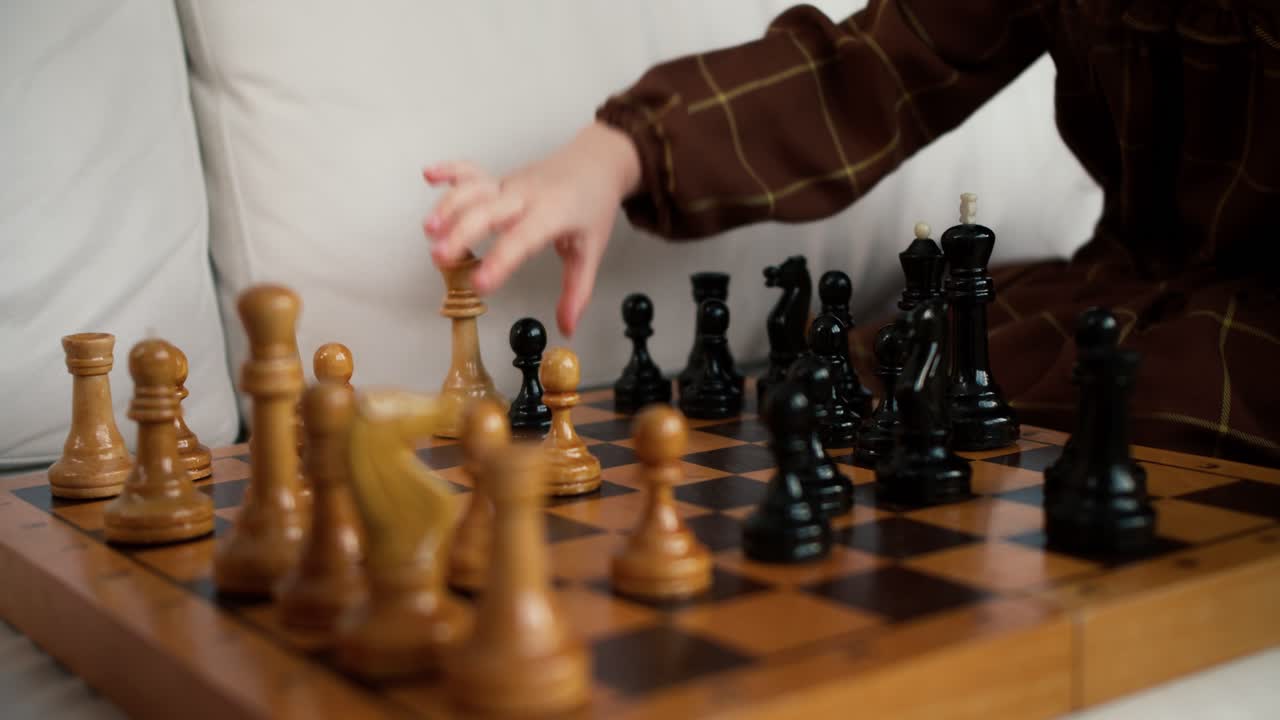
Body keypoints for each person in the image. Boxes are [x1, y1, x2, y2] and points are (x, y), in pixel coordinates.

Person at [421, 1, 1280, 467]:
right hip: (1128, 295)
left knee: (1146, 398)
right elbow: (865, 71)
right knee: (902, 363)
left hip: (1255, 348)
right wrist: (618, 153)